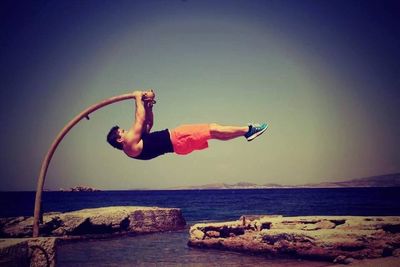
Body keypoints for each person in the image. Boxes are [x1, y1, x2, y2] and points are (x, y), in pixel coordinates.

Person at [106, 90, 268, 160]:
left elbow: (148, 123)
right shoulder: (128, 144)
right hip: (178, 138)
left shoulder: (134, 147)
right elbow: (140, 120)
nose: (126, 131)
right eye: (123, 131)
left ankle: (246, 132)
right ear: (120, 140)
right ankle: (248, 130)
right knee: (212, 128)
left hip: (178, 144)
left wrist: (148, 106)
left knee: (213, 132)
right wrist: (137, 97)